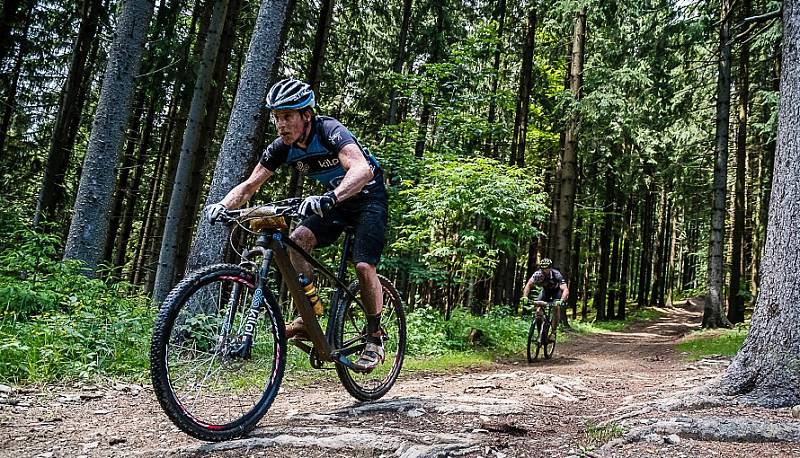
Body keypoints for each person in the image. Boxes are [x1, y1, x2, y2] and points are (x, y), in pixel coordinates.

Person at [203, 78, 388, 371]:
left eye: (287, 116)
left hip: (367, 199)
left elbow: (362, 169)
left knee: (364, 266)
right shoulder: (282, 148)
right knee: (298, 239)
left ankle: (375, 336)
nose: (281, 124)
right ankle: (310, 314)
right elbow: (250, 186)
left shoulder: (329, 131)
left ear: (306, 115)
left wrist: (330, 197)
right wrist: (222, 206)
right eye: (276, 117)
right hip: (334, 203)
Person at [520, 257, 569, 332]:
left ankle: (553, 332)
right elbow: (528, 285)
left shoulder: (556, 275)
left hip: (556, 292)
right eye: (542, 268)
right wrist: (525, 297)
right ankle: (541, 333)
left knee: (556, 308)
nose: (543, 270)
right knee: (538, 311)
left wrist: (562, 300)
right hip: (545, 292)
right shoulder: (537, 274)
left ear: (550, 268)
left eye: (546, 268)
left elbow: (565, 289)